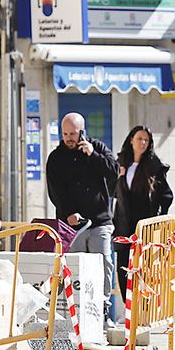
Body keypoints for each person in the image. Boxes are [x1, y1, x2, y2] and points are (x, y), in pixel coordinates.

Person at [46, 113, 121, 324]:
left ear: (83, 132)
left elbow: (114, 172)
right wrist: (68, 212)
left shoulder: (97, 148)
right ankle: (76, 312)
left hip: (100, 221)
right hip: (72, 225)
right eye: (65, 134)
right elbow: (55, 191)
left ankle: (103, 311)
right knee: (75, 268)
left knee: (104, 264)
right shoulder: (56, 157)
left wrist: (93, 156)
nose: (69, 138)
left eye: (73, 133)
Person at [113, 125, 173, 301]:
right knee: (123, 268)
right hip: (124, 224)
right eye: (139, 139)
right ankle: (129, 307)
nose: (143, 143)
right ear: (131, 140)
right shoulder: (121, 163)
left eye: (146, 140)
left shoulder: (155, 166)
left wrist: (158, 219)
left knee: (145, 268)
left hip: (146, 226)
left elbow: (166, 196)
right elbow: (112, 192)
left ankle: (145, 309)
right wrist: (117, 177)